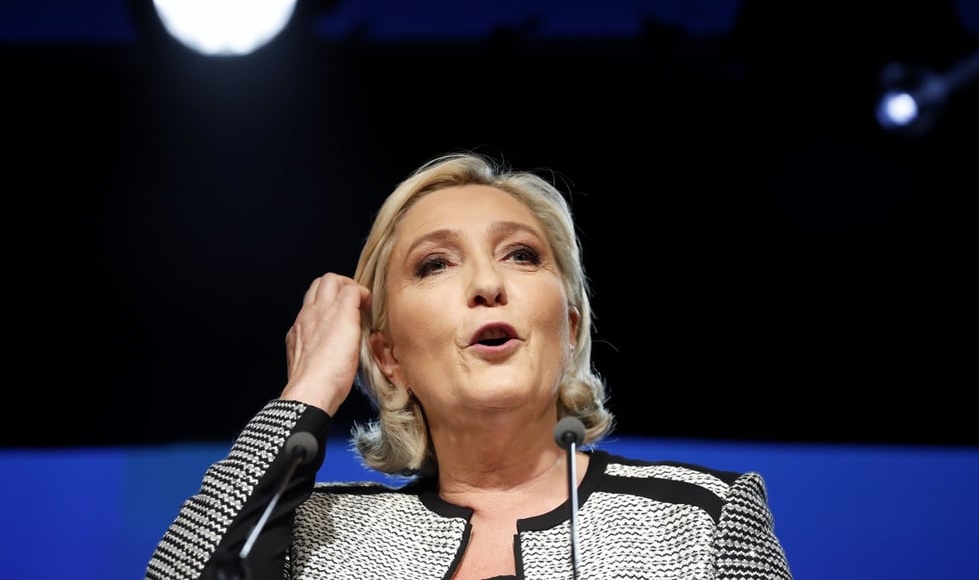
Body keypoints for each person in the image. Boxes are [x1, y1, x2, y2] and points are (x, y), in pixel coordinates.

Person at [145, 151, 793, 580]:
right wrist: (307, 390)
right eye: (435, 263)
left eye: (521, 255)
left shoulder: (701, 518)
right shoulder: (314, 535)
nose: (487, 283)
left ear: (568, 328)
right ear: (387, 355)